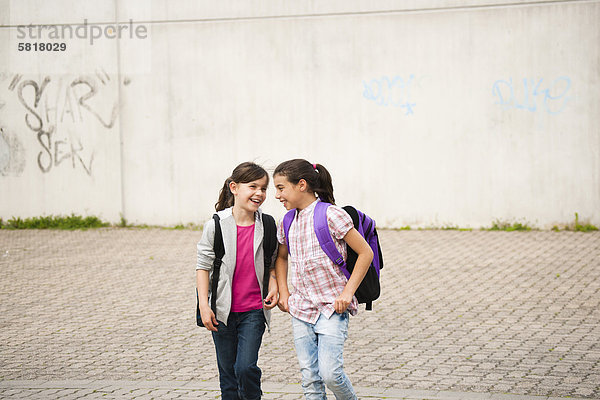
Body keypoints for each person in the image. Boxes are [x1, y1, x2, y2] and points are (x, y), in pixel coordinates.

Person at [272, 159, 374, 400]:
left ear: (302, 185)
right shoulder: (287, 221)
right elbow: (282, 258)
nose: (276, 195)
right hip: (302, 309)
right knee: (310, 377)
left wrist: (347, 293)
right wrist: (284, 292)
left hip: (332, 308)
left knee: (331, 374)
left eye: (280, 188)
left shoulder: (331, 215)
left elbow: (365, 253)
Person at [196, 161, 279, 400]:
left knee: (245, 368)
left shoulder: (268, 225)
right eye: (253, 186)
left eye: (263, 188)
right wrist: (204, 305)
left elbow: (271, 263)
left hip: (253, 311)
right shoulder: (216, 226)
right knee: (228, 375)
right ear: (234, 187)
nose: (259, 193)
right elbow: (203, 267)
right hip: (221, 311)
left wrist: (273, 285)